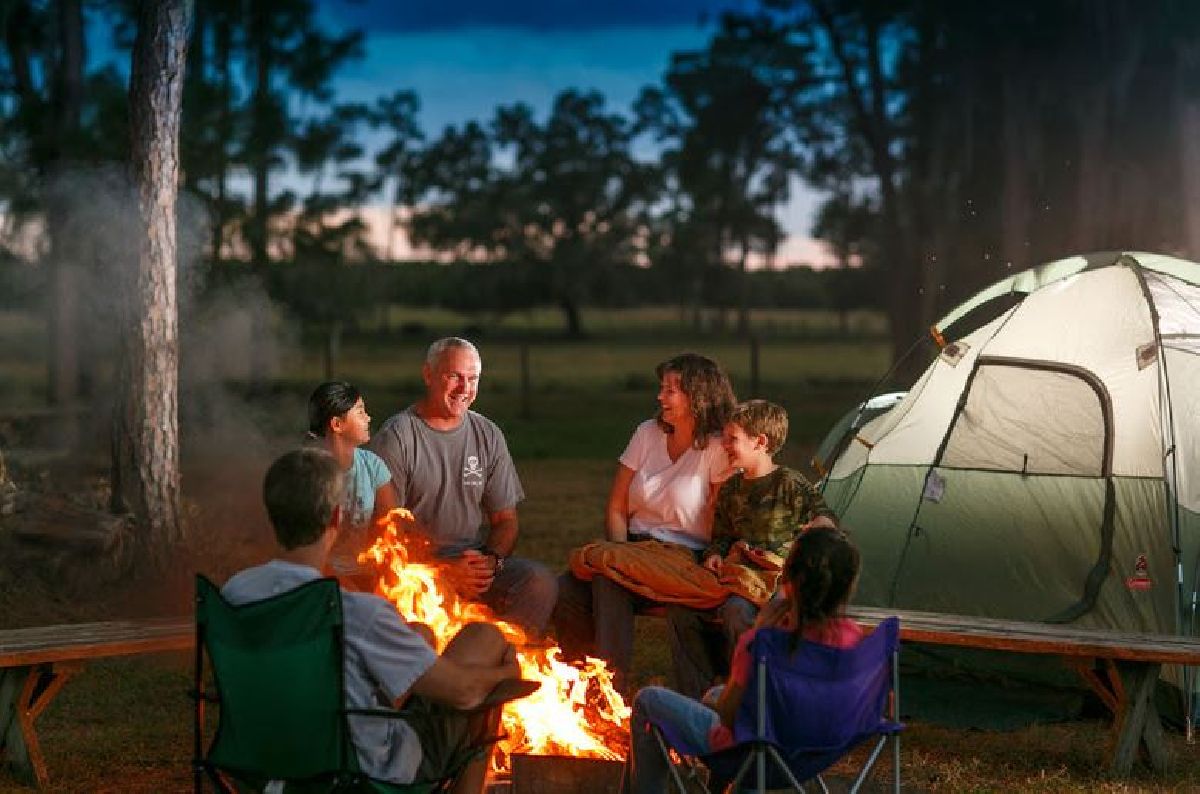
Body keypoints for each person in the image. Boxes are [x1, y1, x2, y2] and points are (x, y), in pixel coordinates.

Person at [222, 448, 526, 793]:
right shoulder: (356, 612)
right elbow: (464, 693)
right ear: (335, 518)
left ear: (273, 516)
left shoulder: (237, 593)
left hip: (266, 763)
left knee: (421, 633)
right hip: (364, 773)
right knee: (486, 643)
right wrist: (507, 675)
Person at [620, 526, 863, 794]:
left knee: (647, 700)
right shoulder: (850, 639)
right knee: (714, 695)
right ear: (847, 585)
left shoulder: (763, 644)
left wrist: (761, 626)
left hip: (752, 754)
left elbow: (728, 717)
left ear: (788, 576)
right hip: (807, 756)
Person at [554, 352, 735, 692]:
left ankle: (608, 688)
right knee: (566, 589)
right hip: (632, 546)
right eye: (661, 388)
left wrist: (621, 564)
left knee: (608, 580)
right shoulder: (647, 433)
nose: (660, 396)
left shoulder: (715, 448)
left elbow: (724, 523)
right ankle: (582, 684)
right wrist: (622, 554)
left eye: (671, 390)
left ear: (699, 395)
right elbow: (617, 506)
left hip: (682, 558)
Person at [368, 337, 557, 636]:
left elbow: (505, 521)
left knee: (538, 581)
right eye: (454, 376)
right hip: (416, 568)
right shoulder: (398, 438)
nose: (464, 388)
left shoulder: (487, 434)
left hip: (474, 558)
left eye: (472, 379)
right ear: (428, 375)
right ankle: (448, 668)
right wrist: (443, 570)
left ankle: (507, 661)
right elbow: (385, 534)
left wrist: (490, 561)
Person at [669, 399, 838, 697]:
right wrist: (715, 556)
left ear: (760, 442)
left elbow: (825, 519)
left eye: (732, 438)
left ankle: (747, 694)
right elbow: (720, 536)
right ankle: (699, 696)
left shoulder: (789, 484)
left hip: (771, 583)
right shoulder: (732, 489)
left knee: (736, 611)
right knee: (682, 611)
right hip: (733, 576)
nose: (724, 445)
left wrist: (818, 529)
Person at [306, 380, 399, 588]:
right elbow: (305, 551)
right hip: (319, 578)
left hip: (363, 573)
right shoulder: (308, 472)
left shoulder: (372, 466)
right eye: (360, 412)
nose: (368, 418)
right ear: (337, 424)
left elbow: (391, 526)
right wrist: (347, 586)